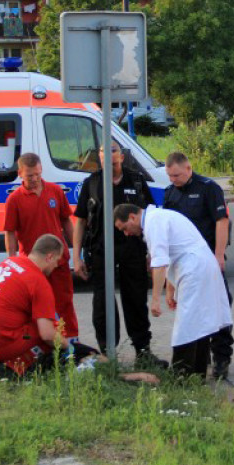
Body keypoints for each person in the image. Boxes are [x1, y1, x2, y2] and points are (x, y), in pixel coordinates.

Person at [0, 234, 159, 384]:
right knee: (52, 332)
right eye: (57, 262)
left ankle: (19, 366)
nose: (56, 267)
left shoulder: (10, 263)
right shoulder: (38, 281)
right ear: (49, 256)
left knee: (39, 321)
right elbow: (46, 334)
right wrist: (71, 348)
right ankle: (109, 372)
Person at [73, 141, 166, 368]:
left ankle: (143, 352)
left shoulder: (135, 180)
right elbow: (81, 221)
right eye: (104, 152)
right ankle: (107, 354)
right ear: (100, 156)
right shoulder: (92, 183)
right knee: (103, 302)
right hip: (100, 250)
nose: (109, 156)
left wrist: (151, 252)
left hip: (132, 249)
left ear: (122, 156)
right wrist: (76, 257)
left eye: (113, 151)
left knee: (135, 300)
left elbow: (149, 217)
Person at [114, 204, 233, 377]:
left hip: (194, 270)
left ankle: (182, 375)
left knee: (186, 325)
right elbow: (172, 255)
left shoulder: (154, 222)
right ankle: (196, 374)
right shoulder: (160, 217)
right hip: (200, 268)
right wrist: (170, 289)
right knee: (199, 323)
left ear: (132, 217)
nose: (126, 233)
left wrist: (155, 299)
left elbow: (160, 263)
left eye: (124, 228)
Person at [162, 152, 234, 379]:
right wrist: (170, 283)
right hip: (185, 267)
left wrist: (219, 256)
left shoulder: (208, 188)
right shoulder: (170, 194)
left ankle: (222, 358)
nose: (173, 179)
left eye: (176, 175)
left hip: (208, 261)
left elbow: (221, 221)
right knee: (193, 313)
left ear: (189, 168)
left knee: (219, 309)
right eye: (170, 176)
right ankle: (201, 358)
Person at [4, 153, 80, 344]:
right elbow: (10, 233)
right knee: (35, 308)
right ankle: (42, 345)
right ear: (20, 173)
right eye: (30, 175)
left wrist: (76, 251)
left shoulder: (55, 191)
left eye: (38, 174)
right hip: (33, 267)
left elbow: (66, 221)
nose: (35, 179)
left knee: (64, 302)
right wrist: (11, 261)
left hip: (58, 262)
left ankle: (72, 342)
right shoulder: (14, 199)